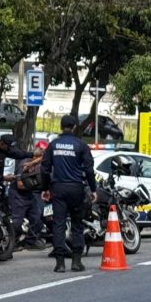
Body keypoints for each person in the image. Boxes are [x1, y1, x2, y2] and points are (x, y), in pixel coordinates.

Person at [41, 114, 97, 273]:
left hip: (58, 188)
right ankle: (76, 262)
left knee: (58, 224)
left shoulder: (53, 145)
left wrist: (45, 188)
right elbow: (89, 170)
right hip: (76, 189)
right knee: (77, 224)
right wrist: (93, 189)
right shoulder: (81, 145)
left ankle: (59, 263)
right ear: (74, 127)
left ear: (61, 126)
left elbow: (44, 169)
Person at [10, 141, 48, 250]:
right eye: (41, 154)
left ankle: (31, 241)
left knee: (36, 217)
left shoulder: (40, 165)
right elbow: (20, 185)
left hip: (30, 194)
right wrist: (36, 187)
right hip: (18, 195)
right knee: (17, 221)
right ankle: (12, 242)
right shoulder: (24, 164)